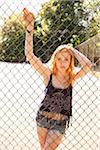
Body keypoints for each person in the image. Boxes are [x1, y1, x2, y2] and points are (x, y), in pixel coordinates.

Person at [23, 8, 93, 150]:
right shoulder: (48, 74)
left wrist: (72, 50)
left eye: (66, 59)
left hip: (60, 123)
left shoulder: (71, 78)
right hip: (42, 118)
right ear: (54, 61)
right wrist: (29, 30)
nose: (62, 62)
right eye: (59, 59)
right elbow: (30, 55)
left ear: (70, 62)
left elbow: (88, 65)